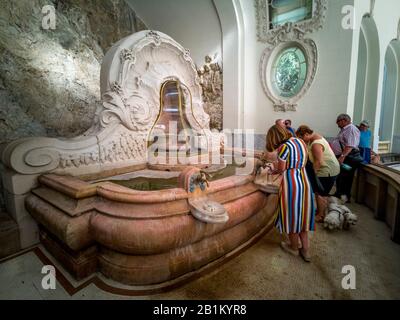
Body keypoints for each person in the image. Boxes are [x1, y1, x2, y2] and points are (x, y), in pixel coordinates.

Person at [266, 125, 316, 262]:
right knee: (303, 215)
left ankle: (294, 247)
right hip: (304, 181)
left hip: (291, 184)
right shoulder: (301, 141)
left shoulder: (284, 147)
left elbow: (281, 169)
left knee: (292, 216)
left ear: (274, 137)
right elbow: (303, 161)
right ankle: (306, 251)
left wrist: (272, 170)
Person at [296, 125, 340, 222]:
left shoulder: (316, 144)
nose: (302, 140)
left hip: (327, 171)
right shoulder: (315, 136)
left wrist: (314, 175)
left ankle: (321, 216)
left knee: (321, 193)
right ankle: (320, 210)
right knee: (318, 192)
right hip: (328, 169)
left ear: (307, 134)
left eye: (302, 137)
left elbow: (319, 162)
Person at [330, 114, 361, 203]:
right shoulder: (345, 129)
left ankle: (344, 196)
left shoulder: (351, 129)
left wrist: (342, 157)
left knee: (346, 176)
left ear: (344, 120)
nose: (337, 124)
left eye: (338, 121)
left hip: (349, 157)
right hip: (345, 156)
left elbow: (350, 145)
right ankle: (339, 194)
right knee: (341, 176)